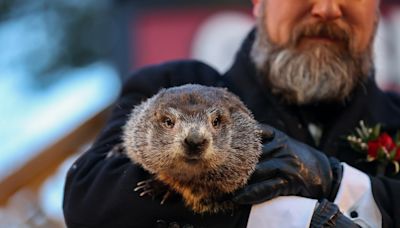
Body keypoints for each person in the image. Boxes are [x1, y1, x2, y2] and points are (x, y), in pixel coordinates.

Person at [63, 0, 400, 227]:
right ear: (258, 3)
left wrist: (339, 182)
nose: (327, 8)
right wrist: (290, 215)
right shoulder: (169, 84)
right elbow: (92, 197)